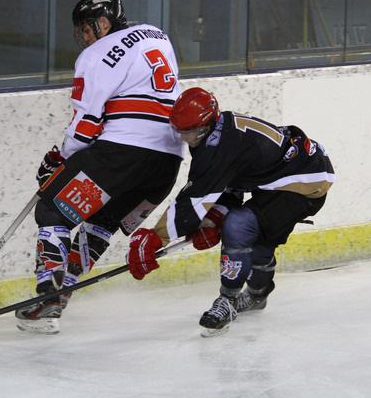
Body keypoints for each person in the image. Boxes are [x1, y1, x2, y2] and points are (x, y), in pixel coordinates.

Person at [15, 0, 184, 334]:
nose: (84, 37)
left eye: (87, 29)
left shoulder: (96, 55)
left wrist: (59, 158)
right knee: (103, 222)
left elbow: (87, 125)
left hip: (122, 155)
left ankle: (49, 295)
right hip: (167, 164)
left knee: (52, 209)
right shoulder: (158, 35)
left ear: (104, 22)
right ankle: (63, 293)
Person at [126, 87, 335, 337]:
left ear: (205, 126)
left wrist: (155, 237)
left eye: (187, 131)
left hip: (304, 182)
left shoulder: (218, 146)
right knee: (253, 238)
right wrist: (215, 215)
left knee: (239, 225)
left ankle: (229, 301)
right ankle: (258, 295)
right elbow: (231, 180)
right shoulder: (218, 132)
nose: (183, 137)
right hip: (286, 174)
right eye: (179, 130)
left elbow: (195, 198)